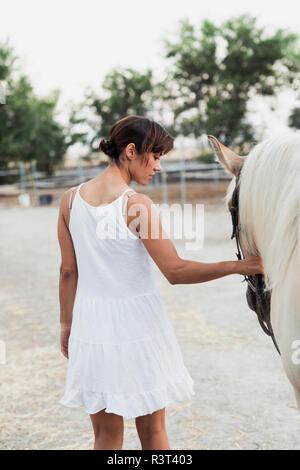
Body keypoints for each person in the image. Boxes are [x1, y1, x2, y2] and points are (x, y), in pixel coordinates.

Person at [57, 115, 264, 450]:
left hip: (89, 325)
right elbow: (175, 271)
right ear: (130, 151)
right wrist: (241, 265)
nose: (158, 167)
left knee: (105, 437)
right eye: (155, 157)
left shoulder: (69, 201)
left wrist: (67, 324)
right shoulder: (136, 205)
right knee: (153, 434)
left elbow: (68, 271)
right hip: (138, 327)